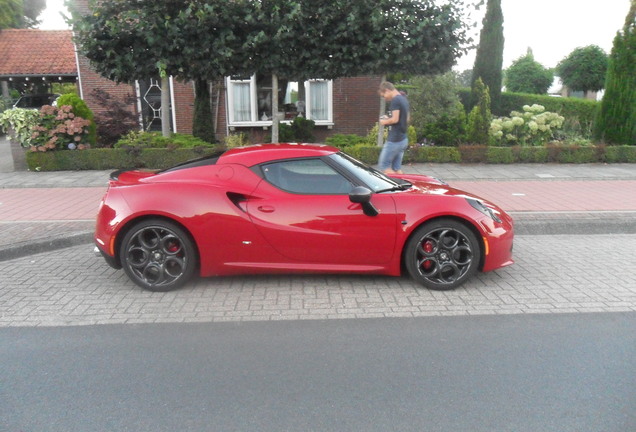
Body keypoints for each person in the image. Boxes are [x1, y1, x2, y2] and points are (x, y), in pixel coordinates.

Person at [377, 81, 410, 174]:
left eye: (384, 96)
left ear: (387, 90)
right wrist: (390, 119)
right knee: (396, 168)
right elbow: (406, 118)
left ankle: (398, 186)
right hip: (403, 139)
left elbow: (395, 120)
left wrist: (384, 121)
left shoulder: (395, 100)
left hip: (394, 140)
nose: (385, 98)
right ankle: (403, 187)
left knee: (384, 167)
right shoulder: (403, 99)